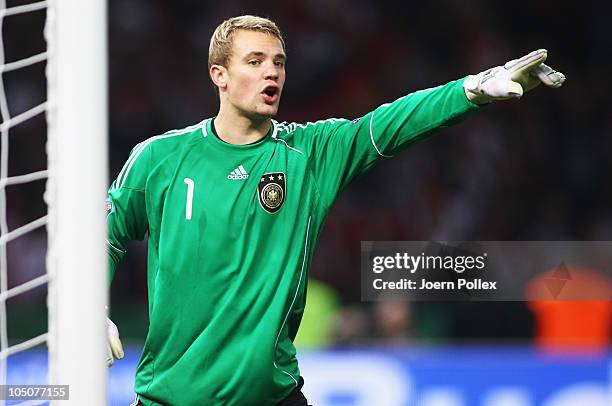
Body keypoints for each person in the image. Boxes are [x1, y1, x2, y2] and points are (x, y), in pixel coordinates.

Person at [105, 15, 565, 406]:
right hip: (170, 398)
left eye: (279, 63)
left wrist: (472, 90)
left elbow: (390, 123)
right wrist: (88, 307)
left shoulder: (309, 153)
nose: (273, 73)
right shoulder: (160, 159)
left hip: (272, 397)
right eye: (255, 61)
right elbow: (104, 233)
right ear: (218, 75)